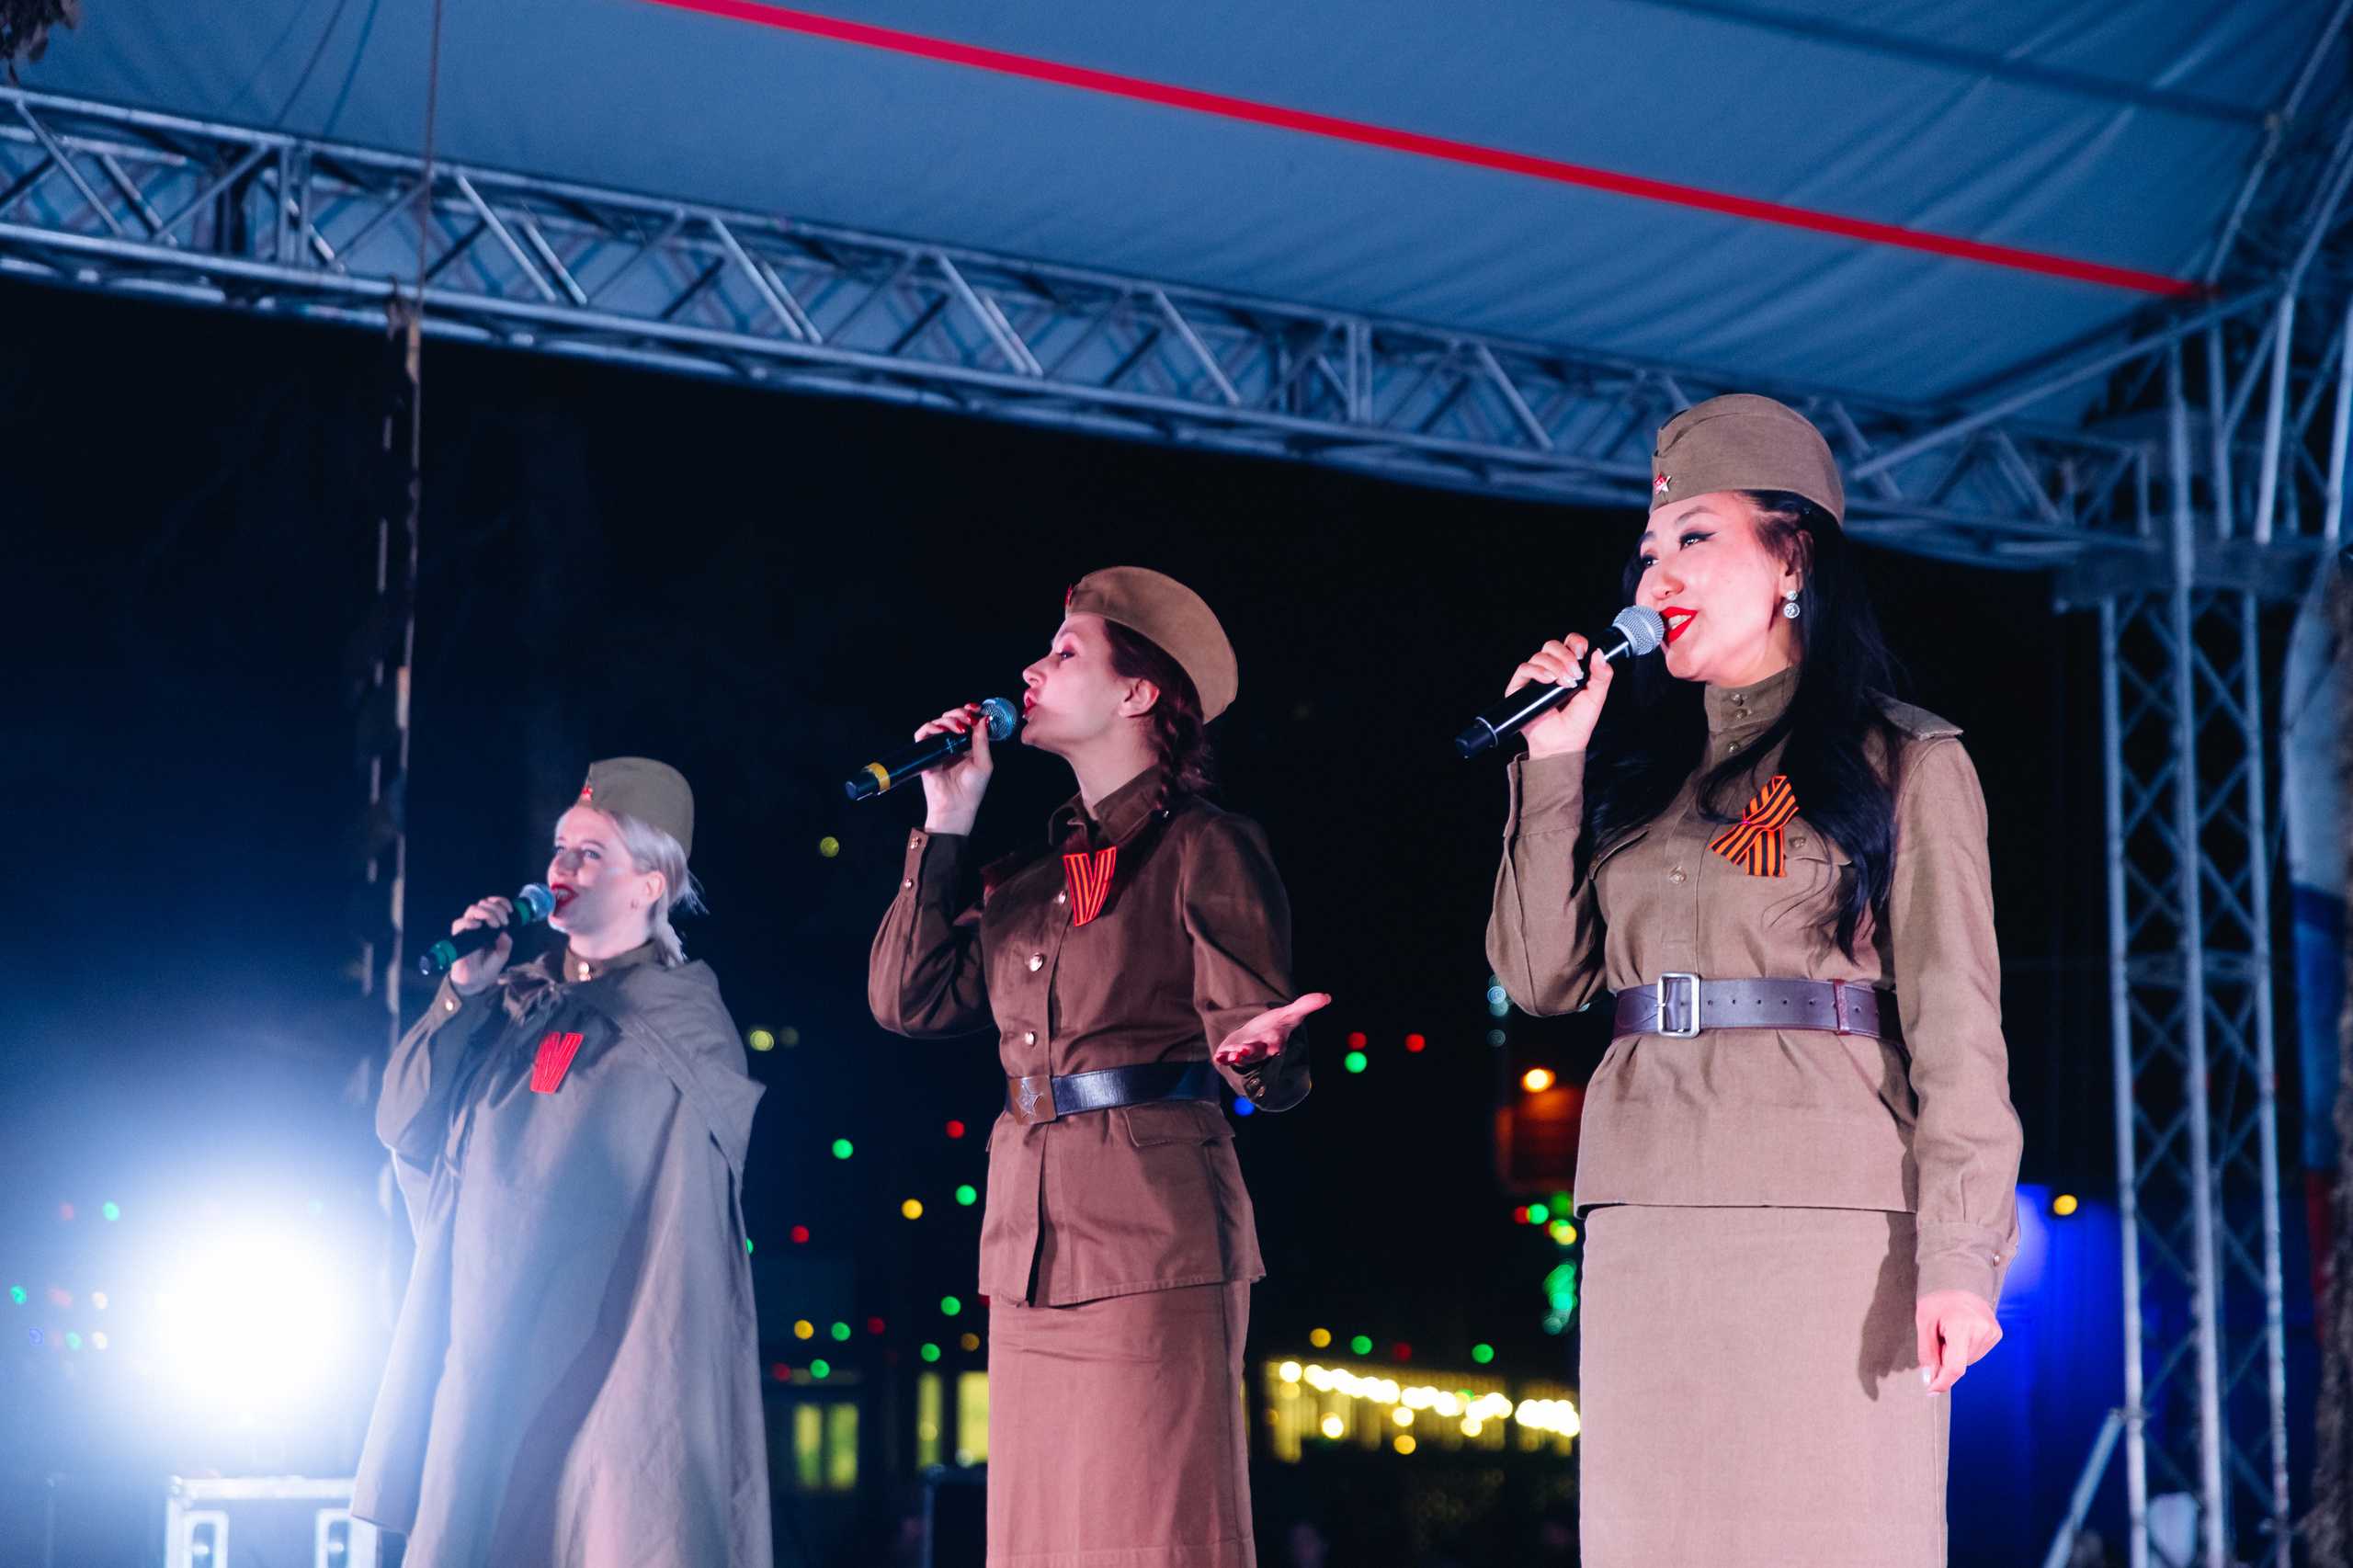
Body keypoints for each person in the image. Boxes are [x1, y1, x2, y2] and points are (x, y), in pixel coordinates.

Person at [1485, 395, 2021, 1566]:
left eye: (1693, 538)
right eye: (1646, 547)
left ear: (1792, 557)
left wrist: (1961, 1259)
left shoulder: (1904, 758)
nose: (1653, 570)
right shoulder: (1637, 779)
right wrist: (1554, 765)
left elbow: (1957, 1026)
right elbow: (1539, 978)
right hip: (1641, 1222)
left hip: (1826, 1230)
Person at [870, 566, 1328, 1568]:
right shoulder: (1027, 876)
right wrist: (947, 819)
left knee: (1153, 1530)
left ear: (1138, 693)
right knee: (1038, 1537)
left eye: (1065, 650)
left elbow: (1261, 1043)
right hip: (1027, 1244)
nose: (1031, 667)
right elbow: (909, 999)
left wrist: (1261, 1056)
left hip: (1152, 1238)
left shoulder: (1208, 845)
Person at [352, 757, 770, 1568]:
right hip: (487, 1351)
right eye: (560, 848)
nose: (561, 868)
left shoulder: (684, 1024)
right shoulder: (511, 1001)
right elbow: (403, 1122)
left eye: (590, 853)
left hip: (612, 1363)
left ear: (651, 884)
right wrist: (461, 994)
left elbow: (672, 1222)